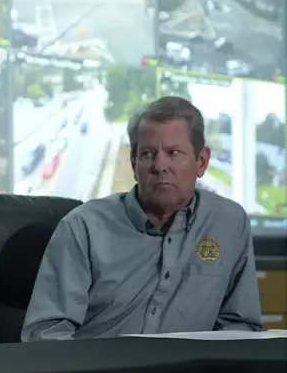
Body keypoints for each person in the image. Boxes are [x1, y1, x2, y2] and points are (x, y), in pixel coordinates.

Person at [22, 96, 262, 341]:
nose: (160, 165)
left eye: (174, 153)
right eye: (148, 154)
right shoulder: (83, 228)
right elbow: (45, 336)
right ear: (134, 162)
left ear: (201, 162)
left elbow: (239, 326)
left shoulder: (228, 224)